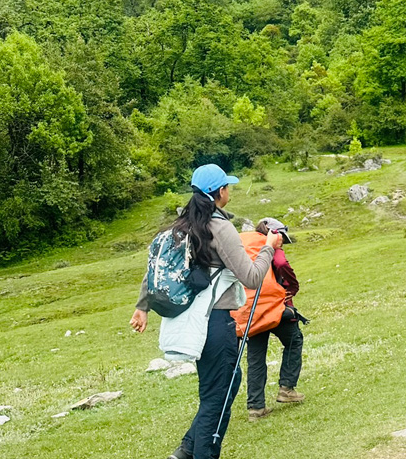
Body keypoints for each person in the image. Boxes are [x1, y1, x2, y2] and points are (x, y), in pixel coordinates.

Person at [130, 164, 283, 459]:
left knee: (227, 382)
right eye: (228, 186)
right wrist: (268, 247)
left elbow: (157, 269)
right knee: (217, 396)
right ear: (220, 192)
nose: (229, 191)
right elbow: (252, 277)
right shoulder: (220, 227)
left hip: (193, 321)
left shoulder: (180, 226)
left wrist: (142, 307)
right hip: (215, 322)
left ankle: (186, 450)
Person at [239, 218, 307, 421]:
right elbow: (281, 263)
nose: (282, 242)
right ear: (274, 232)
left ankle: (256, 407)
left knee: (256, 358)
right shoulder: (270, 244)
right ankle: (286, 388)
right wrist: (293, 287)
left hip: (250, 310)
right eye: (282, 237)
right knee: (294, 340)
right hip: (274, 307)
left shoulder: (245, 245)